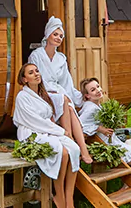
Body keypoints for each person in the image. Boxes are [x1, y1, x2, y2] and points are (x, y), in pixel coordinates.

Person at [12, 63, 85, 208]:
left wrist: (58, 130)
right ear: (24, 79)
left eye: (37, 71)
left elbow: (51, 111)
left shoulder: (41, 94)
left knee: (74, 149)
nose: (36, 74)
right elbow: (35, 121)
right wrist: (60, 131)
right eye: (31, 73)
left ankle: (68, 197)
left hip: (46, 130)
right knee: (62, 152)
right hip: (31, 133)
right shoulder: (22, 97)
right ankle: (59, 194)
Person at [28, 16, 92, 164]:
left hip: (58, 92)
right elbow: (34, 79)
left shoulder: (61, 59)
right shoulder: (36, 55)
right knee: (63, 100)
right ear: (48, 34)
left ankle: (81, 147)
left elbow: (66, 82)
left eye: (61, 36)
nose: (58, 38)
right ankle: (70, 140)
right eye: (55, 34)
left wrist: (80, 96)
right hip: (42, 92)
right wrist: (57, 94)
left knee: (69, 106)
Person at [78, 77, 131, 195]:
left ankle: (129, 187)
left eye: (97, 86)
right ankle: (126, 189)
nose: (97, 90)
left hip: (111, 142)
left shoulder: (95, 106)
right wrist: (99, 128)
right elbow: (79, 125)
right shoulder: (90, 108)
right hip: (109, 146)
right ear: (87, 96)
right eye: (92, 90)